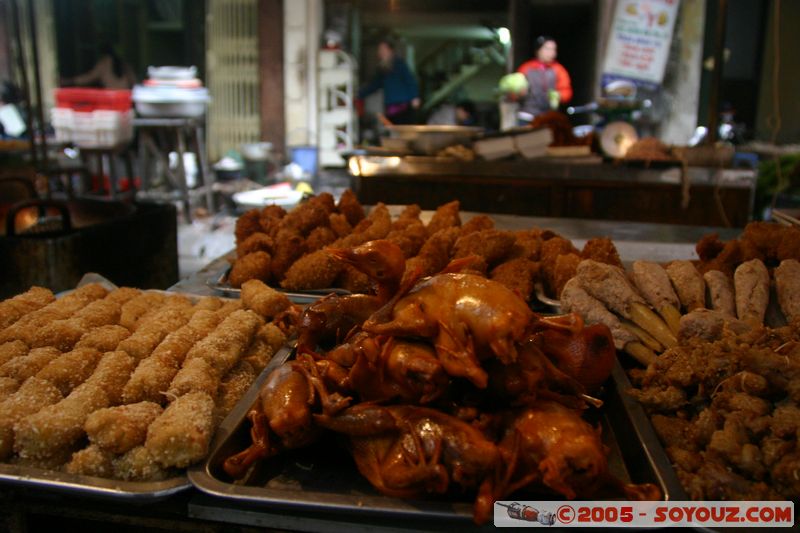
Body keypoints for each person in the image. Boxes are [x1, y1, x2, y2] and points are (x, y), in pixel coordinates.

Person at [358, 39, 420, 125]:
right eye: (379, 50)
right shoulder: (382, 69)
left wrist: (415, 96)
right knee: (393, 131)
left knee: (404, 130)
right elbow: (374, 85)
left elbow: (410, 80)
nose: (380, 52)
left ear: (390, 51)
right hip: (390, 108)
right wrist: (359, 94)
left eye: (383, 49)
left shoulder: (399, 64)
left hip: (404, 106)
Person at [515, 36, 572, 123]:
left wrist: (558, 96)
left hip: (548, 118)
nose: (552, 53)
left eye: (554, 49)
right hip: (527, 116)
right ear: (538, 50)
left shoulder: (559, 70)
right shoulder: (526, 68)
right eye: (548, 49)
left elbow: (566, 91)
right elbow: (514, 92)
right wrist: (519, 93)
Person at [62, 43, 136, 90]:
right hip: (125, 99)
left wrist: (68, 81)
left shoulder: (104, 63)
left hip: (112, 99)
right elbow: (134, 82)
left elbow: (88, 78)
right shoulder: (124, 63)